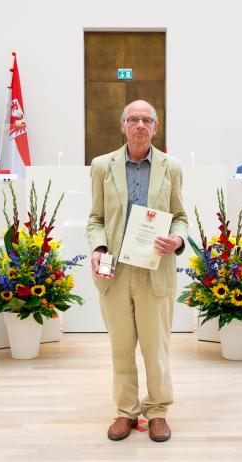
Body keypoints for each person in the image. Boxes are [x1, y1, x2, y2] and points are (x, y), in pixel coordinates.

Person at [87, 100, 188, 442]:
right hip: (114, 271)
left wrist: (177, 238)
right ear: (123, 125)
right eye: (134, 119)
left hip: (154, 270)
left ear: (156, 127)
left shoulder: (170, 167)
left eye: (147, 120)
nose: (140, 125)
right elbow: (96, 218)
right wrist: (99, 247)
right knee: (121, 347)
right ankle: (126, 411)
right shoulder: (103, 166)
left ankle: (158, 410)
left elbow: (180, 216)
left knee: (155, 347)